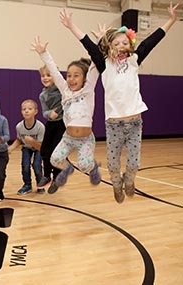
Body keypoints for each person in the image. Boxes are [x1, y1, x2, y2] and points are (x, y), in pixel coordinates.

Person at [59, 2, 179, 203]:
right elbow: (87, 44)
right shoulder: (103, 64)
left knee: (134, 163)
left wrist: (171, 20)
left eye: (124, 43)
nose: (121, 46)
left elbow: (152, 40)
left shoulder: (134, 61)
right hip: (114, 124)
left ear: (130, 45)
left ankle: (130, 180)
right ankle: (116, 183)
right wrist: (72, 26)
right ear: (109, 48)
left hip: (134, 123)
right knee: (113, 165)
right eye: (116, 44)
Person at [31, 35, 102, 194]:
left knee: (84, 165)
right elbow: (54, 71)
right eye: (69, 75)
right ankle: (68, 167)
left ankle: (93, 167)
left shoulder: (88, 90)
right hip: (68, 138)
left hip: (85, 139)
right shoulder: (65, 91)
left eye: (76, 75)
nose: (71, 79)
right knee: (54, 160)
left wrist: (98, 43)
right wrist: (44, 53)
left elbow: (94, 66)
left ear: (84, 78)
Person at [37, 65, 66, 194]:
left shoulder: (62, 90)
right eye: (43, 76)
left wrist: (58, 113)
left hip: (62, 124)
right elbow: (44, 112)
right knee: (45, 150)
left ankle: (57, 178)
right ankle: (47, 175)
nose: (45, 78)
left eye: (48, 75)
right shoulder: (43, 95)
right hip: (51, 123)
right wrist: (50, 114)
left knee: (56, 152)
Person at [8, 99, 45, 195]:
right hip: (26, 148)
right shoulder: (19, 126)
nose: (26, 111)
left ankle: (41, 184)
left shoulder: (40, 127)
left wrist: (32, 141)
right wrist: (11, 148)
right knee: (25, 165)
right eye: (24, 109)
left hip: (38, 148)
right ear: (21, 112)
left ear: (36, 111)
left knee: (36, 165)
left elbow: (41, 147)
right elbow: (19, 139)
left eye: (29, 109)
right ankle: (27, 185)